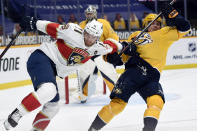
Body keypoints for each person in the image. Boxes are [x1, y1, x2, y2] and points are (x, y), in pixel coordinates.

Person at [0, 15, 123, 131]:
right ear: (84, 31)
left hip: (53, 70)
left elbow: (111, 46)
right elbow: (51, 27)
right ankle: (16, 115)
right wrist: (34, 22)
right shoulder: (72, 31)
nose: (89, 38)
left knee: (53, 106)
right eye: (87, 34)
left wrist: (123, 46)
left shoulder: (98, 47)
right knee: (49, 90)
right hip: (43, 57)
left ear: (98, 38)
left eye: (93, 37)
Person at [88, 3, 191, 131]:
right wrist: (113, 58)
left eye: (158, 23)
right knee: (117, 105)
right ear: (145, 25)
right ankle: (92, 129)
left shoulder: (165, 33)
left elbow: (185, 27)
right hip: (133, 73)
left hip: (151, 78)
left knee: (157, 101)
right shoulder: (135, 36)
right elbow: (122, 58)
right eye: (152, 23)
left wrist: (172, 13)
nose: (156, 25)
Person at [77, 5, 120, 103]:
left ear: (95, 14)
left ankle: (117, 94)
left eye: (91, 13)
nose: (89, 15)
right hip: (87, 55)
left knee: (109, 73)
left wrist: (109, 47)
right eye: (87, 14)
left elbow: (113, 37)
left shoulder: (103, 23)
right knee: (83, 74)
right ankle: (83, 95)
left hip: (101, 54)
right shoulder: (81, 25)